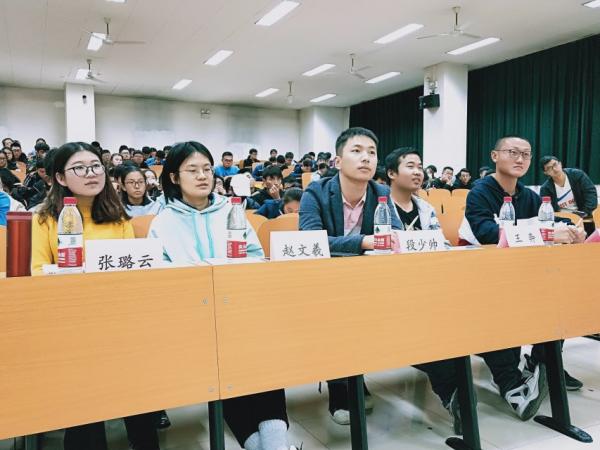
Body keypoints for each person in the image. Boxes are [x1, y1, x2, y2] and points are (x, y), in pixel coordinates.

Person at [148, 141, 298, 450]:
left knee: (262, 356)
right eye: (192, 170)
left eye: (207, 168)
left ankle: (274, 443)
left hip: (238, 310)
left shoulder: (232, 210)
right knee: (224, 371)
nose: (203, 176)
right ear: (174, 177)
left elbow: (255, 256)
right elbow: (158, 276)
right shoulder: (163, 222)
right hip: (192, 320)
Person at [31, 142, 160, 450]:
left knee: (137, 380)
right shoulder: (44, 219)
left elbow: (133, 274)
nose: (91, 173)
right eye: (79, 168)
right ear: (60, 177)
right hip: (69, 325)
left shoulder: (118, 218)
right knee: (85, 397)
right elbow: (37, 274)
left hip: (117, 322)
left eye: (96, 166)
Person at [466, 136, 584, 402]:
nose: (520, 159)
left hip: (524, 273)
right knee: (502, 307)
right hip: (486, 276)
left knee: (559, 298)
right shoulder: (479, 193)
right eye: (513, 152)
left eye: (526, 154)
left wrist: (570, 230)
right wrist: (547, 234)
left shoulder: (529, 196)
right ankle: (507, 378)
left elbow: (550, 222)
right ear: (495, 156)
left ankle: (543, 363)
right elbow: (486, 232)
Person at [299, 127, 402, 425]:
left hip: (367, 280)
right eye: (356, 151)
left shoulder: (382, 193)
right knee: (338, 313)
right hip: (323, 281)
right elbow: (311, 240)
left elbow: (395, 236)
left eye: (371, 152)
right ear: (337, 161)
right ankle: (339, 386)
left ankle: (356, 376)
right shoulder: (316, 192)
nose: (365, 158)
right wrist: (364, 242)